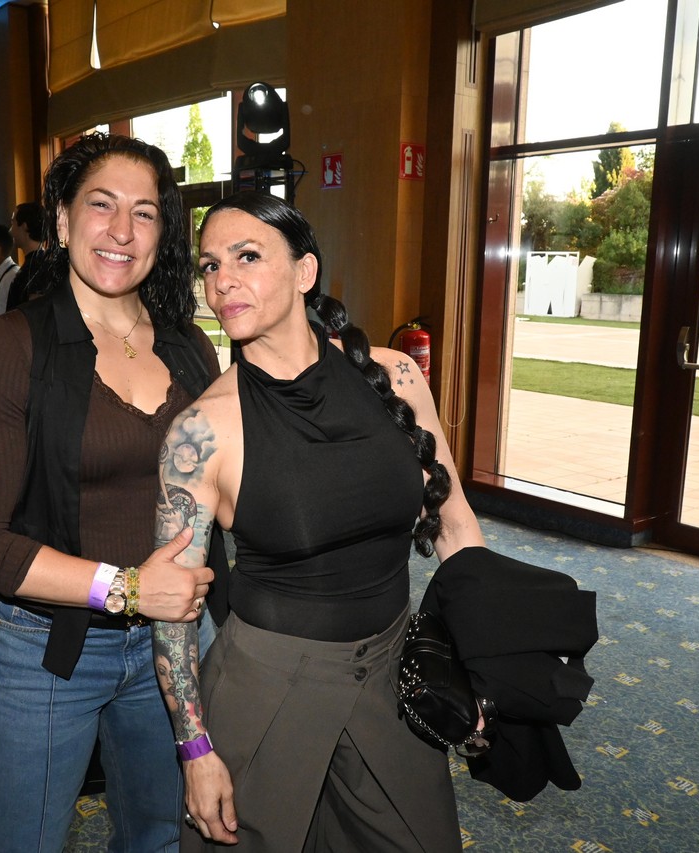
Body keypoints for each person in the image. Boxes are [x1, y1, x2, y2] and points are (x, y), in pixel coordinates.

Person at [152, 192, 490, 852]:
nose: (223, 281)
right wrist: (194, 750)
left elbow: (455, 526)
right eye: (210, 265)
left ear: (304, 271)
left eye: (248, 257)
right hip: (266, 689)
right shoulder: (200, 431)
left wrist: (482, 665)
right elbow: (172, 613)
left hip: (392, 673)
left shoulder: (395, 378)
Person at [0, 133, 230, 853]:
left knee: (165, 838)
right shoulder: (13, 346)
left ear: (163, 235)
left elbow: (226, 487)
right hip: (42, 649)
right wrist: (128, 589)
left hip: (174, 645)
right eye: (102, 205)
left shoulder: (190, 346)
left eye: (144, 213)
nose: (122, 231)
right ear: (64, 221)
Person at [4, 201, 48, 310]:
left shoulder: (36, 268)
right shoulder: (41, 264)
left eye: (13, 223)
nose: (10, 231)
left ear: (24, 226)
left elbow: (37, 312)